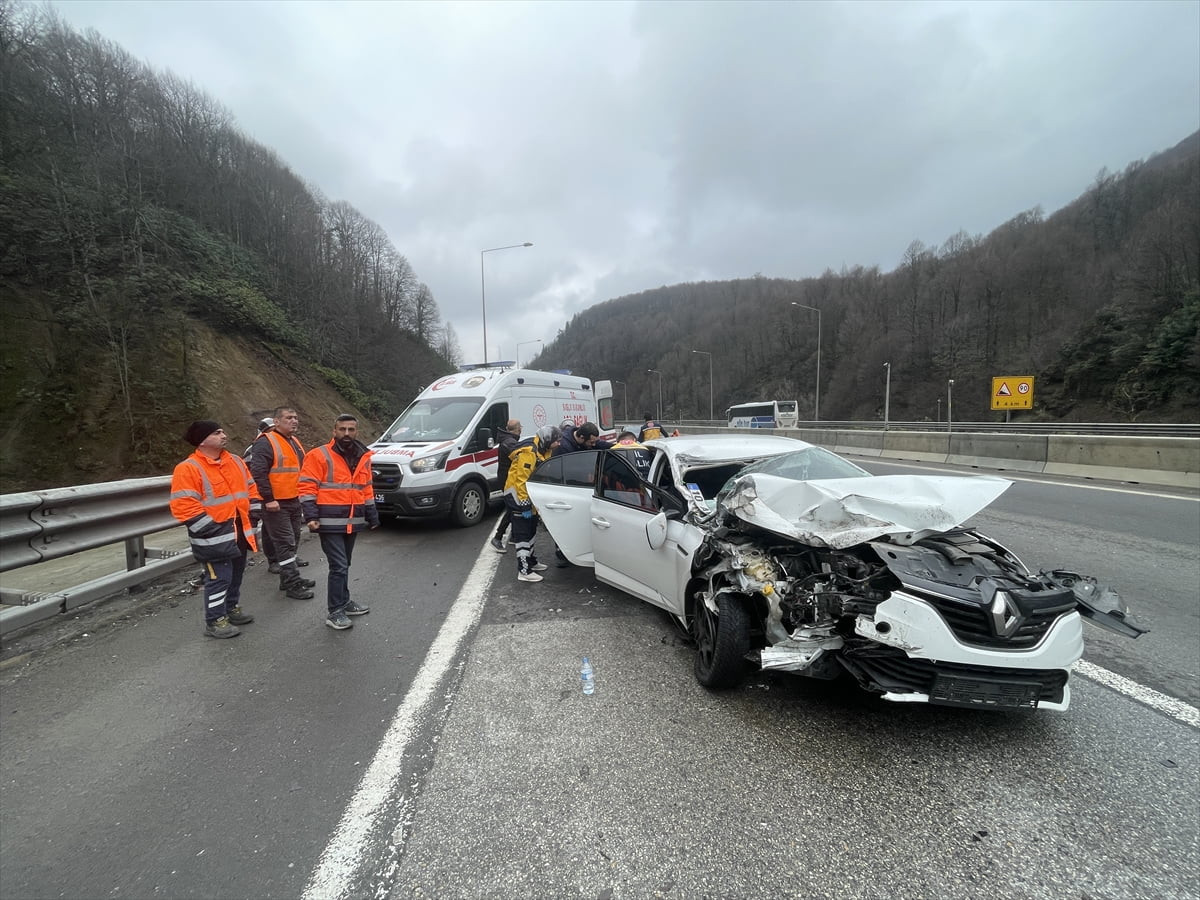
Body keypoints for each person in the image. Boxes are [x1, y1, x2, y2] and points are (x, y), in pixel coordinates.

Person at [170, 420, 261, 639]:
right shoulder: (188, 468)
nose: (224, 435)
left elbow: (251, 488)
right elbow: (184, 506)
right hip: (213, 537)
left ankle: (230, 608)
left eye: (222, 431)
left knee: (236, 574)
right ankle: (215, 620)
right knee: (219, 578)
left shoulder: (235, 461)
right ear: (202, 440)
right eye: (217, 432)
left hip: (239, 531)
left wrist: (254, 513)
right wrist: (212, 529)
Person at [300, 414, 380, 630]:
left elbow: (366, 488)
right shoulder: (318, 455)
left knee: (345, 564)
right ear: (334, 431)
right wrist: (311, 516)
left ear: (356, 432)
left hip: (352, 520)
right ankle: (335, 611)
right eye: (342, 429)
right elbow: (307, 487)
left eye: (351, 429)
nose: (346, 433)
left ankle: (344, 602)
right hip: (329, 521)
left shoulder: (362, 456)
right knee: (339, 566)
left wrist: (372, 514)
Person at [249, 407, 315, 600]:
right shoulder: (265, 442)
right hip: (276, 504)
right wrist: (268, 499)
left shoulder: (293, 441)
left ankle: (288, 579)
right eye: (289, 418)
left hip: (294, 499)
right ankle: (293, 583)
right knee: (285, 542)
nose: (294, 421)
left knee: (293, 539)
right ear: (276, 421)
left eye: (295, 417)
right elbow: (258, 473)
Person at [503, 424, 560, 583]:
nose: (559, 443)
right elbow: (521, 480)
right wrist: (524, 504)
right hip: (517, 496)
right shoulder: (529, 452)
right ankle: (524, 570)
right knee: (522, 533)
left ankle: (531, 561)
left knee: (531, 529)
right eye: (556, 440)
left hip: (530, 495)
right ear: (547, 439)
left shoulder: (544, 450)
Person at [243, 417, 278, 571]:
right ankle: (273, 560)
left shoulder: (282, 446)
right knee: (268, 529)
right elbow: (254, 475)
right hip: (261, 496)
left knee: (281, 529)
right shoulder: (255, 449)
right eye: (270, 431)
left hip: (278, 495)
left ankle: (287, 557)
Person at [489, 418, 522, 553]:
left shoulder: (507, 440)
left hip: (506, 478)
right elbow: (519, 458)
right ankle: (497, 537)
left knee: (514, 506)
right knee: (512, 508)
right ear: (518, 429)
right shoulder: (510, 443)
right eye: (520, 428)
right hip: (509, 480)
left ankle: (514, 535)